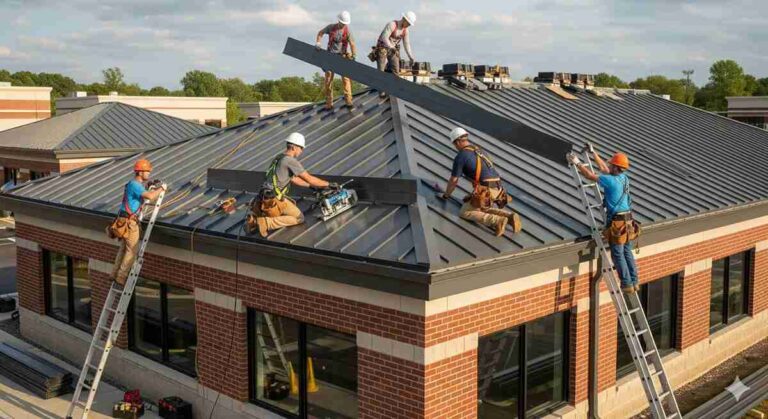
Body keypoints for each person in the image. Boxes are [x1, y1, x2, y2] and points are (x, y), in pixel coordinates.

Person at [568, 145, 639, 293]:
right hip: (628, 222)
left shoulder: (611, 181)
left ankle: (626, 283)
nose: (609, 166)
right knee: (627, 252)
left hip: (617, 223)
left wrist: (577, 162)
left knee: (618, 253)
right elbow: (604, 168)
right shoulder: (623, 178)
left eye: (612, 164)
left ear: (616, 167)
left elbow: (589, 176)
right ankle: (634, 281)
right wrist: (594, 153)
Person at [437, 127, 522, 237]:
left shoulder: (461, 156)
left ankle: (497, 221)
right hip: (498, 189)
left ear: (457, 142)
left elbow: (454, 180)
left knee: (465, 212)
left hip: (487, 191)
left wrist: (446, 195)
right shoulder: (479, 150)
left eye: (454, 144)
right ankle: (510, 216)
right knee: (480, 208)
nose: (455, 147)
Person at [248, 133, 337, 237]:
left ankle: (253, 222)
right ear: (294, 147)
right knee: (299, 218)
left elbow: (294, 179)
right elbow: (309, 178)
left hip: (264, 196)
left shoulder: (279, 158)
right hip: (275, 198)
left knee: (285, 210)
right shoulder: (290, 161)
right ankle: (266, 223)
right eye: (301, 148)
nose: (302, 151)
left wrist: (311, 187)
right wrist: (329, 184)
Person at [110, 159, 165, 286]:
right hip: (130, 222)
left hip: (124, 220)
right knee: (132, 250)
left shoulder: (133, 185)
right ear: (140, 172)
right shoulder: (135, 185)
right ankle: (121, 276)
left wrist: (150, 187)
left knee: (123, 249)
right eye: (147, 171)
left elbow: (140, 194)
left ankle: (114, 274)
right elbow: (150, 197)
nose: (149, 173)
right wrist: (161, 189)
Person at [316, 10, 357, 109]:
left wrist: (354, 55)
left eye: (345, 24)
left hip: (342, 56)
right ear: (339, 21)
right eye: (342, 23)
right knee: (328, 79)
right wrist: (318, 43)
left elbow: (352, 44)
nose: (343, 25)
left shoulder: (348, 31)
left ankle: (348, 100)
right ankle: (329, 102)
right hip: (330, 56)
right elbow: (320, 33)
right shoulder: (331, 27)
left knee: (346, 78)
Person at [375, 11, 416, 97]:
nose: (408, 25)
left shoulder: (405, 31)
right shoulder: (392, 25)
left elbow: (406, 44)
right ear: (404, 19)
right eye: (408, 23)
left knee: (395, 69)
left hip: (392, 49)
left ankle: (395, 89)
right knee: (381, 69)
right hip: (382, 47)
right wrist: (390, 46)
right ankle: (381, 91)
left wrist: (410, 56)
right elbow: (384, 37)